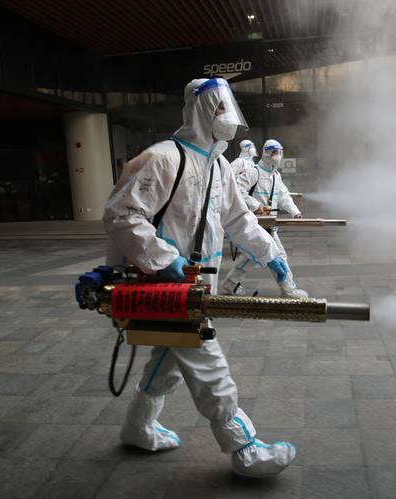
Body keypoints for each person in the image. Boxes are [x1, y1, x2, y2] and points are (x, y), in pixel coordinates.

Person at [102, 77, 296, 478]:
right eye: (220, 108)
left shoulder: (218, 165)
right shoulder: (162, 158)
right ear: (201, 110)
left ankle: (138, 426)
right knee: (209, 365)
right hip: (165, 284)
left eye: (229, 108)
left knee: (170, 358)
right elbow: (121, 214)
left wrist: (273, 256)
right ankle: (245, 447)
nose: (228, 118)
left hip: (196, 285)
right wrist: (163, 258)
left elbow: (239, 219)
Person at [220, 139, 308, 298]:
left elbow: (284, 196)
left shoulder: (276, 175)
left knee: (249, 258)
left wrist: (295, 212)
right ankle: (288, 289)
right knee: (277, 255)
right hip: (256, 225)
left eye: (280, 153)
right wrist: (255, 206)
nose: (278, 156)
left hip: (269, 224)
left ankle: (228, 286)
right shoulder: (254, 172)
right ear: (266, 153)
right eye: (275, 153)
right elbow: (237, 191)